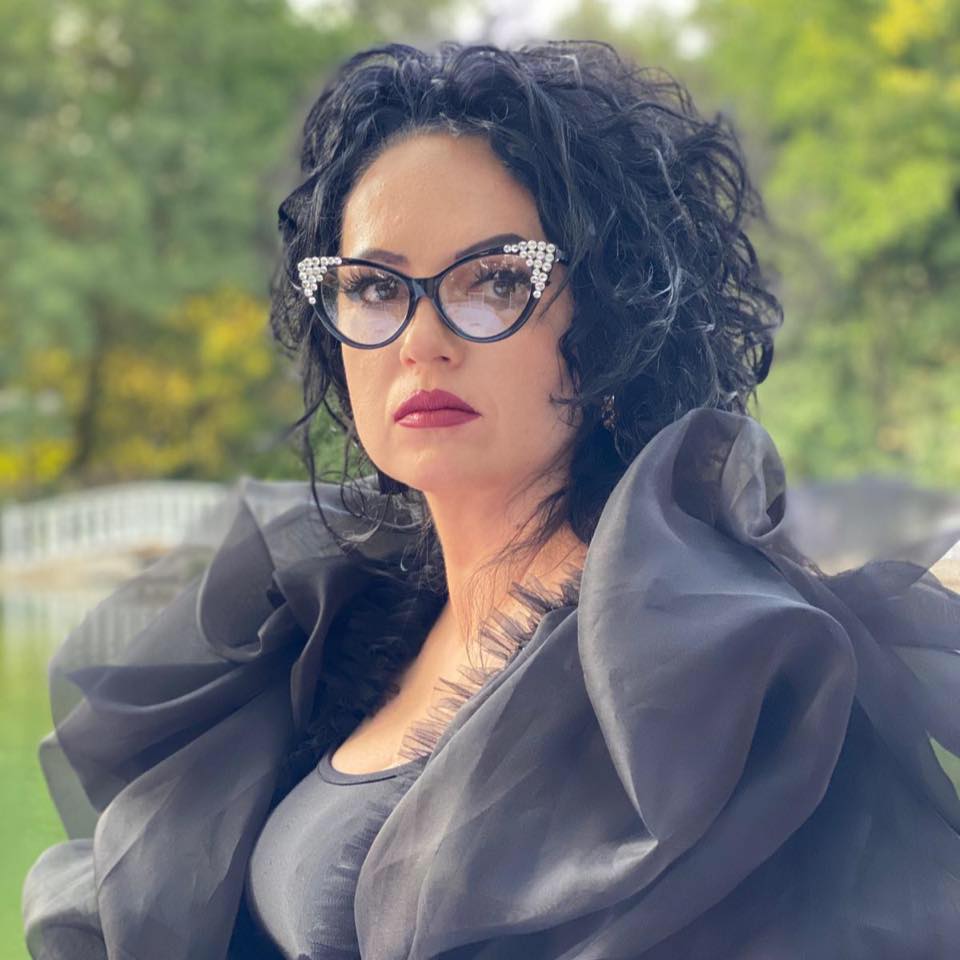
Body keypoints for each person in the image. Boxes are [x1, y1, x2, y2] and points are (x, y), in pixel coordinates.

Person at [21, 39, 960, 959]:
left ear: (613, 321)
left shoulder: (694, 669)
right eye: (374, 286)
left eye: (497, 280)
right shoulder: (331, 619)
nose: (420, 340)